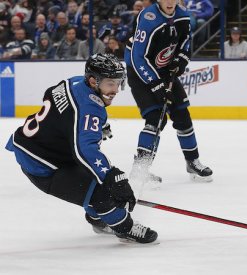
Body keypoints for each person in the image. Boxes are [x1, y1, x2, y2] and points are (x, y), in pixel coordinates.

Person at [4, 53, 158, 244]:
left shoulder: (74, 82)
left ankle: (97, 219)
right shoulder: (90, 109)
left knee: (94, 177)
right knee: (102, 190)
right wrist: (112, 176)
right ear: (94, 81)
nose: (116, 89)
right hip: (42, 164)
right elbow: (84, 151)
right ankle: (124, 228)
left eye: (118, 83)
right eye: (110, 83)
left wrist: (90, 126)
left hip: (36, 146)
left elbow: (53, 97)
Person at [124, 0, 213, 184]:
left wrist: (180, 62)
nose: (170, 1)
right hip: (140, 71)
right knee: (156, 118)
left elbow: (185, 45)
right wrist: (156, 85)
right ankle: (140, 169)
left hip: (164, 69)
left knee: (182, 115)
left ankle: (192, 162)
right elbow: (138, 58)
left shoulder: (183, 16)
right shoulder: (149, 19)